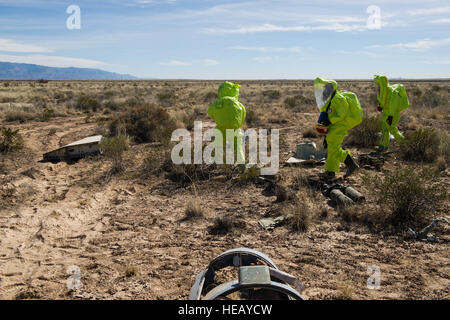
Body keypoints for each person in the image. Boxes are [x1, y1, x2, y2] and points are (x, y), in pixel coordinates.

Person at [314, 77, 363, 180]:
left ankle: (351, 164)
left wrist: (330, 121)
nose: (325, 90)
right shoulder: (330, 99)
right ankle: (331, 171)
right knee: (332, 148)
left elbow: (342, 114)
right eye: (325, 87)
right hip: (334, 126)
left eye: (328, 88)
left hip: (340, 126)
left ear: (332, 88)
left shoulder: (338, 98)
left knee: (333, 149)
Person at [207, 81, 246, 164]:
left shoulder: (218, 103)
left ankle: (216, 163)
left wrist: (218, 117)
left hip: (221, 128)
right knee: (238, 147)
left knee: (218, 146)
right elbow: (243, 113)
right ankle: (241, 163)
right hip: (235, 129)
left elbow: (210, 112)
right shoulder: (238, 104)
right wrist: (238, 124)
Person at [373, 75, 410, 151]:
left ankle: (404, 144)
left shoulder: (392, 92)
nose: (377, 86)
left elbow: (393, 105)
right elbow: (385, 103)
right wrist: (381, 107)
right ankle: (383, 146)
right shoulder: (384, 92)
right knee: (384, 130)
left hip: (392, 114)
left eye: (378, 84)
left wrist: (391, 116)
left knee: (392, 129)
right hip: (386, 114)